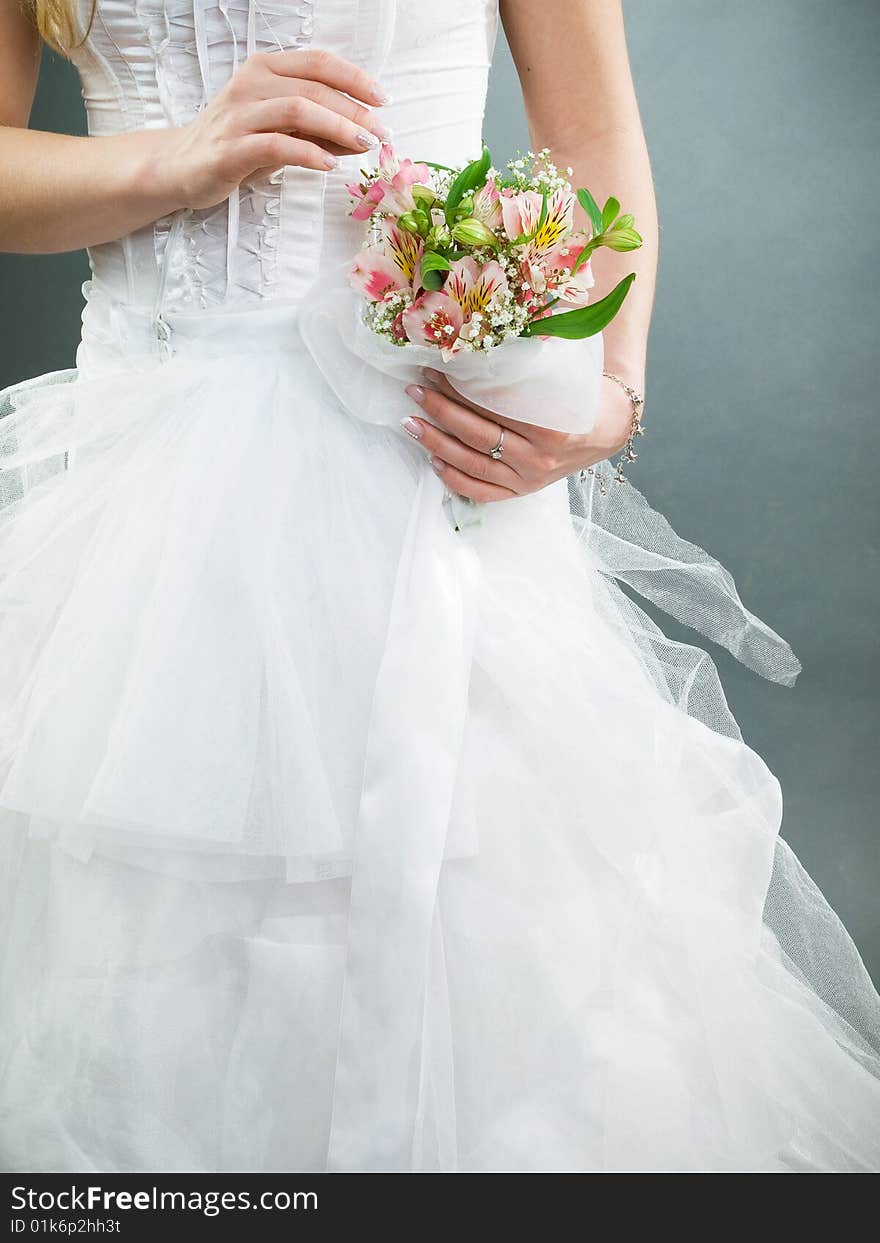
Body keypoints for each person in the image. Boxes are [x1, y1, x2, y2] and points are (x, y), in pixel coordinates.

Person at [0, 0, 878, 1174]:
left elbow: (593, 134)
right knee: (126, 966)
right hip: (131, 512)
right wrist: (169, 159)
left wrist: (612, 390)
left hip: (412, 480)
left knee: (488, 969)